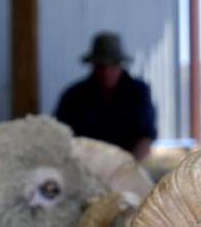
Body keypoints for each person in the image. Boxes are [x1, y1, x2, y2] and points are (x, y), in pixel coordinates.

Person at [55, 32, 158, 161]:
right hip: (85, 166)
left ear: (121, 65)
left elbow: (146, 136)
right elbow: (60, 137)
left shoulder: (138, 92)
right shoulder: (73, 96)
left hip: (127, 165)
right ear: (92, 65)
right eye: (101, 66)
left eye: (112, 65)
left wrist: (129, 166)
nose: (106, 72)